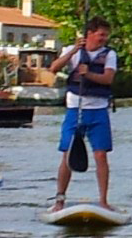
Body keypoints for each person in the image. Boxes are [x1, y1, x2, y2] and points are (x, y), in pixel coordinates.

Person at [49, 17, 118, 211]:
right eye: (101, 35)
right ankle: (59, 200)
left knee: (100, 155)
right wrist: (73, 51)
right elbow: (53, 68)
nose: (104, 39)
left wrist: (88, 74)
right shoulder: (72, 51)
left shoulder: (109, 54)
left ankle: (103, 201)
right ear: (89, 34)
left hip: (98, 111)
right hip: (75, 109)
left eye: (106, 35)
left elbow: (107, 79)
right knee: (67, 155)